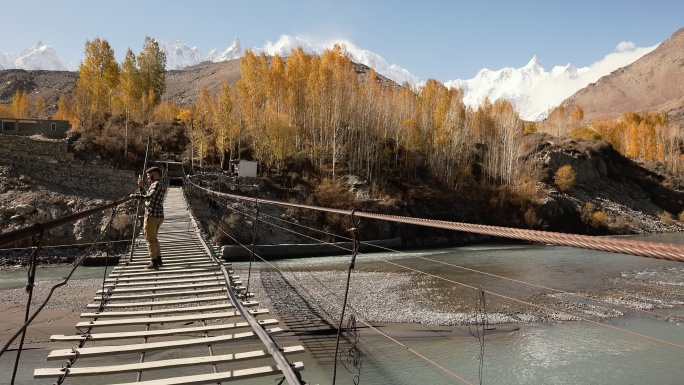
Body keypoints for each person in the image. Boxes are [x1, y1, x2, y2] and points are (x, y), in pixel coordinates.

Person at [130, 166, 166, 269]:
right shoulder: (158, 184)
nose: (148, 177)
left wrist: (135, 196)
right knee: (154, 239)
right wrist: (141, 188)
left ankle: (154, 263)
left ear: (154, 174)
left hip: (151, 216)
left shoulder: (156, 184)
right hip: (158, 215)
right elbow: (149, 196)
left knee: (149, 240)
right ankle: (158, 260)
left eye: (149, 175)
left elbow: (149, 197)